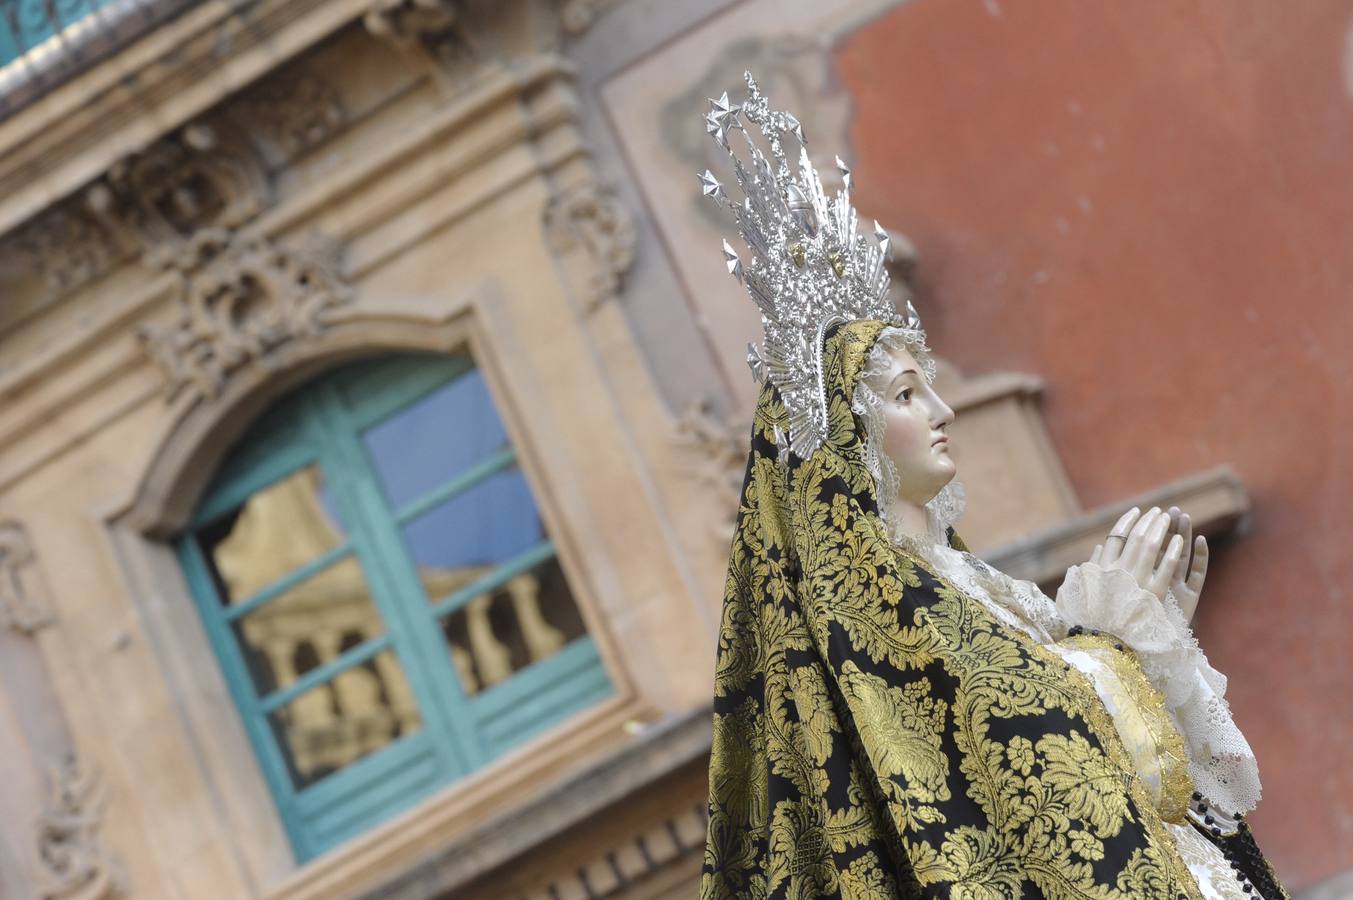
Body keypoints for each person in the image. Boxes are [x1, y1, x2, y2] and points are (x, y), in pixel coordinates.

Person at [697, 73, 1287, 899]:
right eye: (904, 394)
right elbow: (1031, 756)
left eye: (926, 384)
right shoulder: (883, 619)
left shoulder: (966, 585)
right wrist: (1116, 643)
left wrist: (1135, 646)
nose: (940, 410)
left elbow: (1135, 788)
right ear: (844, 439)